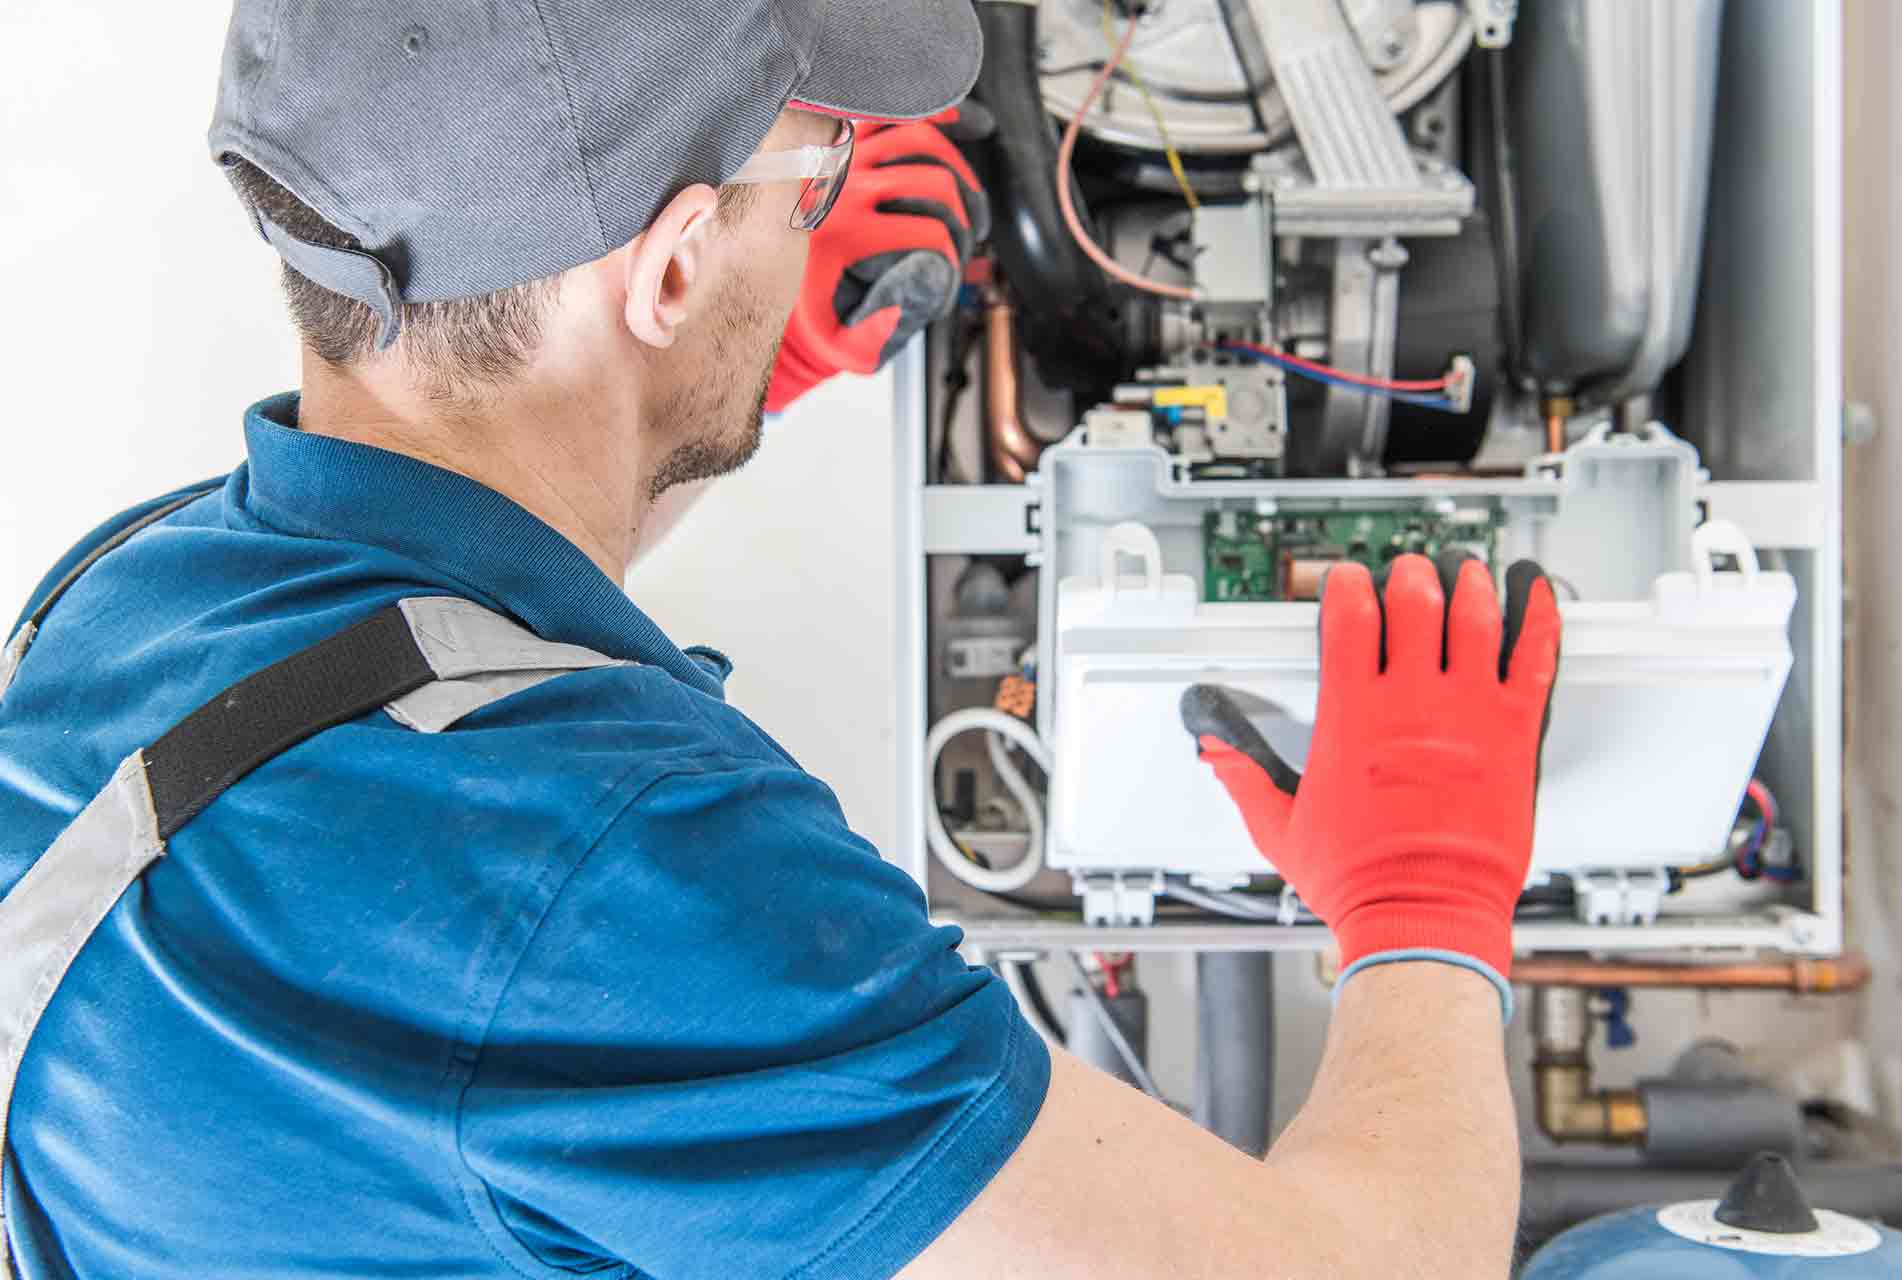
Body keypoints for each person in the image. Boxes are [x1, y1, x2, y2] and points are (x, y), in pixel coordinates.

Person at [0, 2, 1560, 1276]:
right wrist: (1428, 903)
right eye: (811, 185)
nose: (824, 226)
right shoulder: (624, 878)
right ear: (672, 272)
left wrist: (697, 398)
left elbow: (434, 658)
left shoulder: (128, 596)